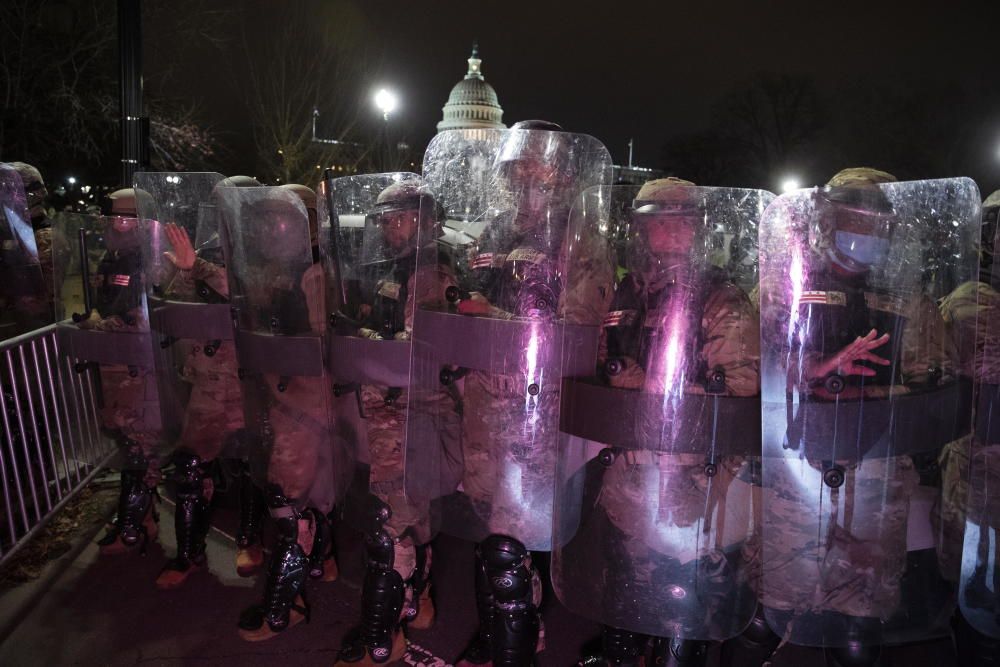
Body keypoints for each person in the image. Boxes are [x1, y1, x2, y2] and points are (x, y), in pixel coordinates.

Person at [757, 168, 962, 667]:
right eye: (855, 217)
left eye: (877, 222)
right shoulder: (786, 287)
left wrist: (866, 390)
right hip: (796, 477)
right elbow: (753, 366)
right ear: (828, 219)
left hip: (875, 478)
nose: (866, 232)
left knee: (860, 626)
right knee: (780, 614)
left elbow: (936, 386)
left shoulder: (910, 300)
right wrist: (812, 369)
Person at [575, 178, 761, 666]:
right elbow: (598, 361)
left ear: (699, 229)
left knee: (682, 602)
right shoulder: (626, 291)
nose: (668, 231)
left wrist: (654, 387)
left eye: (680, 220)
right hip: (628, 468)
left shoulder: (719, 298)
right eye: (657, 221)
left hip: (689, 479)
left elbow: (742, 390)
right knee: (623, 594)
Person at [450, 121, 613, 666]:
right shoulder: (495, 232)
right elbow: (464, 293)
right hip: (480, 407)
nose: (524, 180)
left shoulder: (580, 241)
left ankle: (518, 646)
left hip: (535, 415)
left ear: (563, 177)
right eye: (516, 170)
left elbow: (578, 333)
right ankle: (493, 632)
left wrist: (490, 317)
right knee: (485, 531)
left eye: (536, 169)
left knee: (515, 540)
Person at [333, 179, 457, 665]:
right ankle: (418, 606)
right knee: (412, 520)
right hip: (392, 411)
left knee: (391, 527)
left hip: (412, 412)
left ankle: (383, 638)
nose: (388, 225)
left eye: (399, 216)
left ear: (425, 221)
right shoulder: (396, 269)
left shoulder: (428, 273)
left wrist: (355, 331)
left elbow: (414, 347)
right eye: (384, 217)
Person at [221, 185, 342, 642]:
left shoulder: (316, 274)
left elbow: (318, 343)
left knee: (285, 501)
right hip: (283, 397)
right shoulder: (278, 269)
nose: (274, 229)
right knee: (309, 494)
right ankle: (322, 561)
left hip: (307, 401)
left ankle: (284, 606)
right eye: (267, 220)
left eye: (283, 220)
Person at [84, 189, 164, 555]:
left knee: (140, 446)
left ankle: (135, 522)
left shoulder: (151, 260)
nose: (119, 223)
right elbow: (100, 304)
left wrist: (108, 324)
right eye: (115, 216)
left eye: (128, 217)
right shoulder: (111, 259)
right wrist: (96, 319)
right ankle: (140, 517)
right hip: (113, 365)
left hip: (139, 367)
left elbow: (145, 314)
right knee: (126, 439)